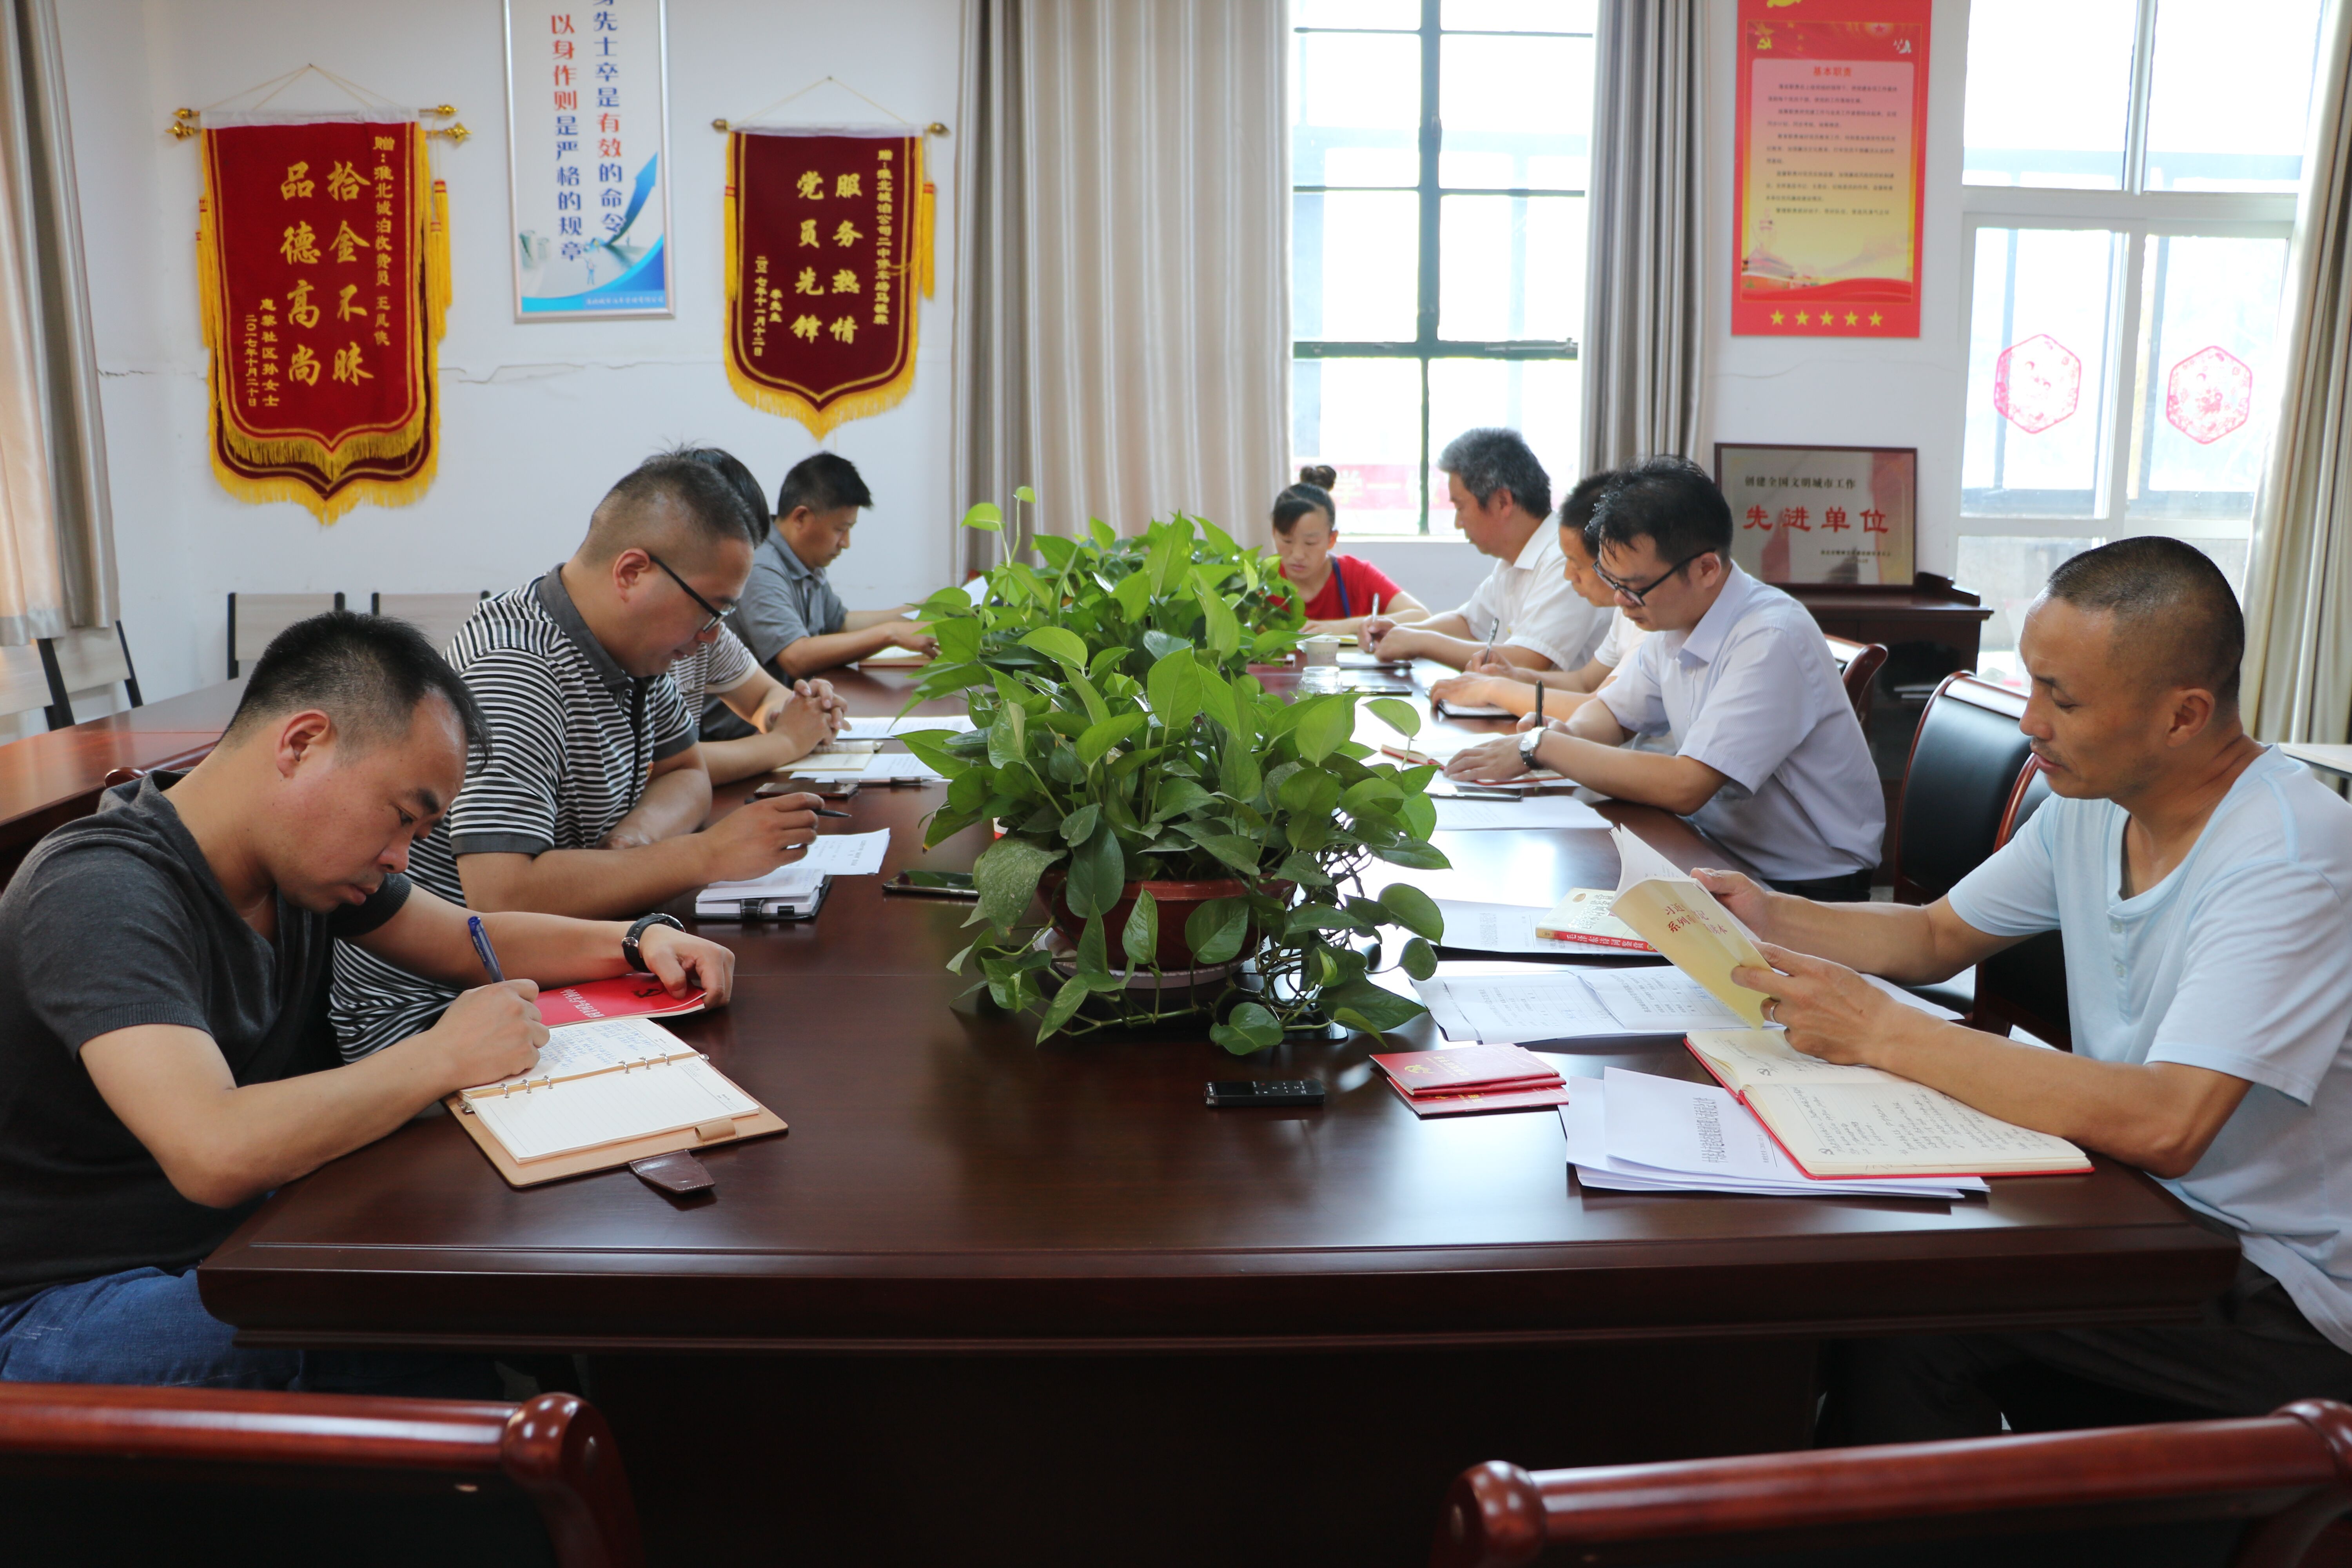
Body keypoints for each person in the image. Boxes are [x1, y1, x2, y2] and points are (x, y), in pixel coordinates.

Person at [1684, 538, 2352, 1442]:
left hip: (2283, 1283)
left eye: (2063, 699)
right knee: (1851, 1258)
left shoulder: (2287, 857)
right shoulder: (2096, 804)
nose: (2031, 720)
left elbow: (2170, 1121)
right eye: (2031, 682)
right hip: (2138, 1205)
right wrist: (1766, 913)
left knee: (1913, 1310)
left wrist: (1884, 1031)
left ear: (2184, 715)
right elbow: (1935, 934)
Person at [0, 612, 737, 1391]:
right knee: (410, 1314)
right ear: (302, 744)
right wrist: (441, 1056)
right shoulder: (101, 891)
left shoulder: (293, 862)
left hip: (221, 1237)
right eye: (403, 816)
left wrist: (636, 940)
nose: (401, 857)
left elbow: (468, 939)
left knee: (481, 1256)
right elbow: (214, 1149)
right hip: (55, 1301)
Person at [331, 450, 828, 1060]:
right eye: (711, 611)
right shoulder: (517, 670)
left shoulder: (635, 651)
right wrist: (704, 855)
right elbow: (503, 894)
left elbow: (686, 772)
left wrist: (638, 840)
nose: (710, 638)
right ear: (632, 572)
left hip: (556, 970)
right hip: (440, 1013)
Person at [1445, 456, 1882, 897]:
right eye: (1611, 581)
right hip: (1712, 848)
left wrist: (1544, 747)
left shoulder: (1771, 637)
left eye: (1634, 587)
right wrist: (1568, 733)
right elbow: (1613, 713)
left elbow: (1686, 784)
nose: (1620, 601)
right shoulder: (1673, 616)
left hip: (1802, 883)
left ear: (1706, 569)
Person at [668, 447, 849, 784]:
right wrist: (786, 741)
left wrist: (798, 712)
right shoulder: (603, 647)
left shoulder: (707, 624)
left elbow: (764, 697)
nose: (715, 629)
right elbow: (658, 766)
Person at [1358, 428, 1607, 674]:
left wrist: (1421, 642)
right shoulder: (1513, 560)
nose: (1458, 523)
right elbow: (1469, 624)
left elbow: (1527, 661)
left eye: (1460, 507)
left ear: (1502, 502)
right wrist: (1403, 633)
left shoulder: (1566, 560)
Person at [713, 450, 938, 691]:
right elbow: (795, 657)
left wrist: (923, 610)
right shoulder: (762, 565)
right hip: (748, 715)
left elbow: (840, 624)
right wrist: (890, 634)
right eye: (841, 529)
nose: (846, 543)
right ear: (801, 517)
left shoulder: (805, 561)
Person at [1426, 471, 1637, 722]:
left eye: (1578, 564)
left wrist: (1494, 689)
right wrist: (1514, 676)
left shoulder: (1648, 617)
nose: (1568, 575)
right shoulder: (1626, 611)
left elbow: (1604, 712)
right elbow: (1584, 682)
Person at [1269, 465, 1428, 636]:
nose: (1298, 555)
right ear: (1274, 533)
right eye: (1287, 541)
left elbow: (1421, 616)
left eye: (1310, 543)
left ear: (1331, 539)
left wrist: (1341, 627)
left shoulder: (1356, 575)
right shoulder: (1262, 583)